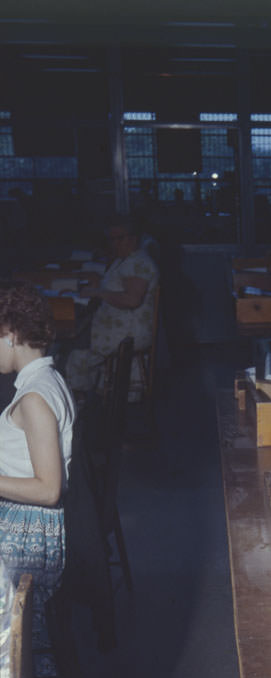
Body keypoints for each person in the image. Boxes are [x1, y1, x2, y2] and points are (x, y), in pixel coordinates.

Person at [0, 283, 76, 627]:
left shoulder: (34, 399)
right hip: (30, 524)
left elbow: (48, 489)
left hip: (26, 531)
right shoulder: (47, 379)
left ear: (10, 334)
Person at [66, 214, 159, 396]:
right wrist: (98, 285)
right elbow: (118, 284)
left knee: (74, 348)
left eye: (120, 238)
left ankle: (78, 400)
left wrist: (98, 292)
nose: (115, 244)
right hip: (119, 327)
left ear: (134, 238)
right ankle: (88, 395)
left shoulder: (139, 263)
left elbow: (132, 300)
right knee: (77, 337)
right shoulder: (126, 259)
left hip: (128, 333)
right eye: (111, 239)